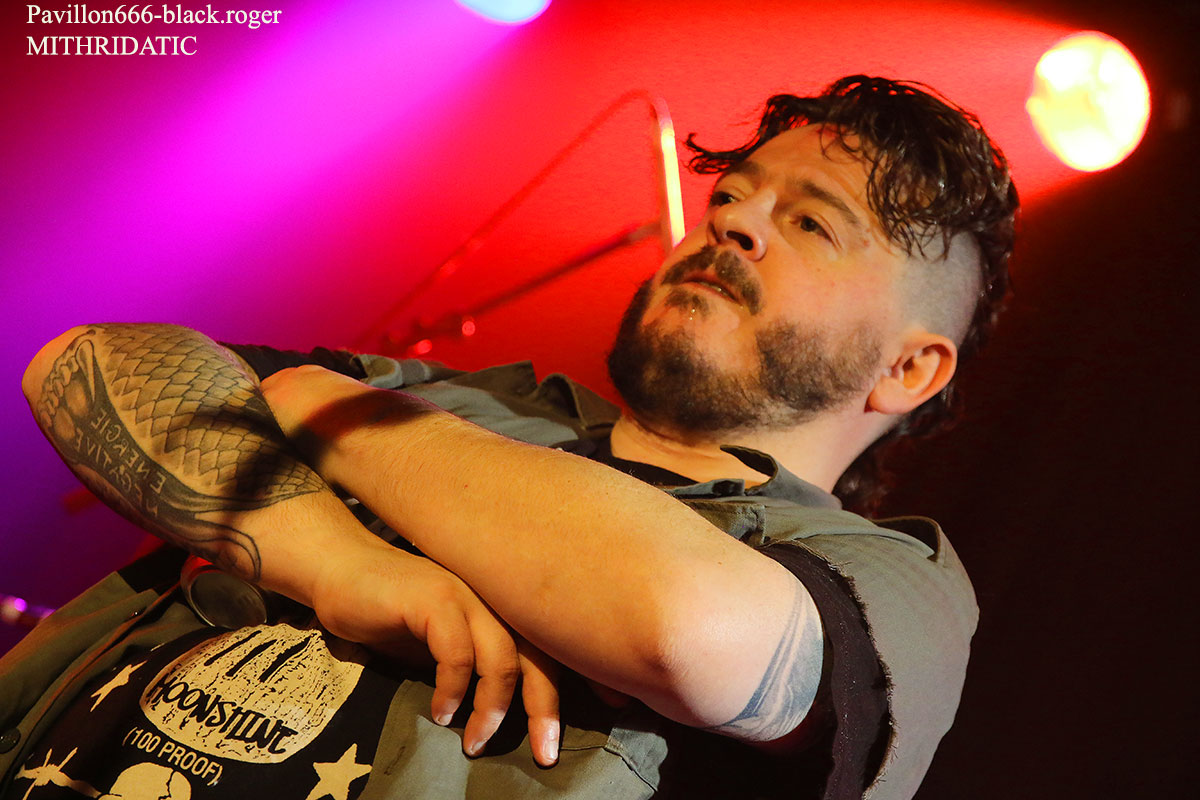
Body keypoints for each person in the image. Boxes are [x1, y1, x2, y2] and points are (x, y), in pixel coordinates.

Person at [2, 75, 1017, 800]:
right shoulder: (470, 400)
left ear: (909, 369)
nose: (734, 221)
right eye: (730, 195)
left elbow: (686, 623)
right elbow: (86, 361)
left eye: (811, 224)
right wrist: (345, 563)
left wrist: (320, 408)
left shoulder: (885, 579)